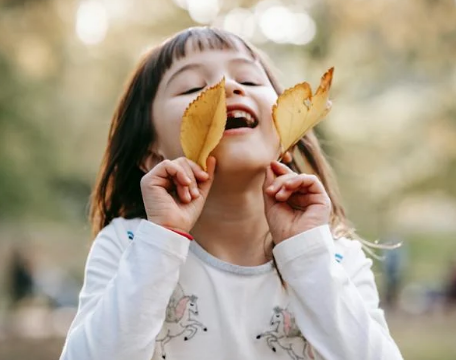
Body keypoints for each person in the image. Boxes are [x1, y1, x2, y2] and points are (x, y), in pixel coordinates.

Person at [60, 27, 403, 360]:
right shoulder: (128, 245)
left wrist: (306, 253)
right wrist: (162, 239)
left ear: (288, 134)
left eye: (251, 80)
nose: (228, 87)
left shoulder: (336, 258)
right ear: (153, 156)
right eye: (192, 86)